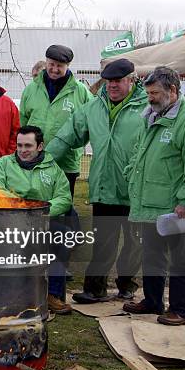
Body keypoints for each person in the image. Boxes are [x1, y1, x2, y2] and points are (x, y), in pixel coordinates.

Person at [47, 58, 147, 304]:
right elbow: (68, 135)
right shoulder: (94, 108)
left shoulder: (146, 108)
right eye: (109, 81)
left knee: (134, 242)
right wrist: (44, 160)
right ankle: (95, 289)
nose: (112, 86)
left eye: (118, 81)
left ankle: (127, 283)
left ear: (131, 81)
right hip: (104, 186)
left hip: (136, 188)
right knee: (103, 240)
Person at [122, 66, 185, 326]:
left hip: (173, 207)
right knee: (151, 255)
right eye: (148, 93)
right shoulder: (149, 116)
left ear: (172, 90)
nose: (150, 98)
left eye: (155, 93)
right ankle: (153, 301)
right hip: (148, 202)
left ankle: (181, 308)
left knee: (180, 258)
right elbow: (139, 153)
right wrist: (130, 173)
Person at [0, 126, 73, 314]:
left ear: (40, 146)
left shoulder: (53, 169)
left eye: (28, 145)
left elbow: (64, 198)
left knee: (64, 236)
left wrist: (41, 210)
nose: (23, 150)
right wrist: (21, 206)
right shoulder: (2, 165)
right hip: (9, 222)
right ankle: (9, 295)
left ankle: (52, 294)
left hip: (42, 220)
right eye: (19, 145)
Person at [20, 45, 93, 197]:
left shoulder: (81, 92)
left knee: (63, 207)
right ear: (46, 62)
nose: (54, 69)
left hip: (66, 164)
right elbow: (22, 122)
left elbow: (89, 125)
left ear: (68, 66)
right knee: (36, 206)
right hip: (35, 161)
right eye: (51, 64)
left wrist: (76, 147)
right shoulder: (31, 89)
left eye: (59, 66)